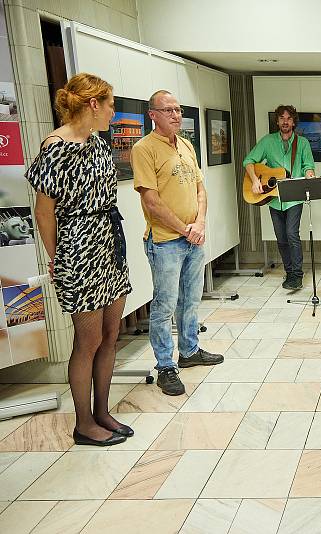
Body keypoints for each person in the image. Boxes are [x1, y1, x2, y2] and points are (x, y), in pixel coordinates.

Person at [26, 73, 132, 446]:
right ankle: (84, 422)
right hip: (78, 248)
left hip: (109, 243)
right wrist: (58, 257)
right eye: (111, 105)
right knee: (87, 340)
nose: (113, 112)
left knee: (110, 335)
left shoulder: (98, 143)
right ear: (93, 104)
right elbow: (43, 212)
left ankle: (103, 412)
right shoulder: (55, 146)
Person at [132, 90, 223, 396]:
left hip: (192, 238)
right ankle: (165, 366)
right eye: (167, 110)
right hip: (166, 241)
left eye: (177, 109)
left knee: (190, 299)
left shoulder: (186, 145)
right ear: (153, 115)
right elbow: (152, 202)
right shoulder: (144, 149)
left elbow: (201, 189)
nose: (175, 114)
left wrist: (199, 224)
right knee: (164, 304)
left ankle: (189, 351)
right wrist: (186, 229)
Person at [243, 105, 315, 290]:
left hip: (294, 197)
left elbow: (308, 165)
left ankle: (297, 275)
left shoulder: (303, 143)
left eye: (288, 118)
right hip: (273, 198)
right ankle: (289, 272)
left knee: (292, 234)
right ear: (277, 121)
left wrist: (309, 173)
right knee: (281, 238)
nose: (285, 121)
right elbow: (249, 161)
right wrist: (254, 181)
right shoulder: (267, 142)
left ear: (293, 121)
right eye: (282, 118)